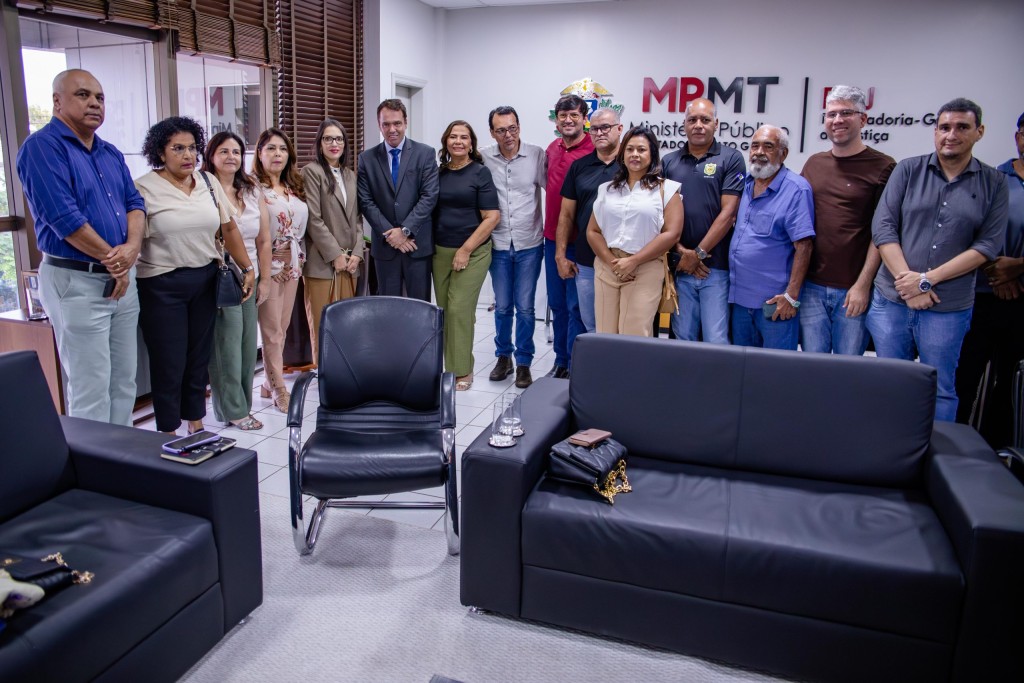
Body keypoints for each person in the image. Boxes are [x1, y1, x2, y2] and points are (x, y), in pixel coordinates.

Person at [15, 69, 144, 426]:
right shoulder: (41, 148)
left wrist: (131, 249)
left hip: (121, 280)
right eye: (83, 95)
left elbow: (135, 203)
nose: (94, 103)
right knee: (91, 387)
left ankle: (122, 455)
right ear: (57, 101)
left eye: (100, 97)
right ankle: (94, 460)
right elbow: (63, 218)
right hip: (77, 281)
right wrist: (116, 262)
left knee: (124, 382)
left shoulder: (109, 152)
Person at [868, 98, 1008, 422]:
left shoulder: (994, 182)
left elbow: (987, 245)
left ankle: (933, 451)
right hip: (891, 301)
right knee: (889, 384)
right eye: (944, 127)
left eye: (962, 127)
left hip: (947, 308)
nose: (951, 135)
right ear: (935, 132)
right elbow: (883, 227)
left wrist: (926, 281)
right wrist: (908, 283)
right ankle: (889, 447)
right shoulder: (907, 170)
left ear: (979, 132)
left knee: (939, 388)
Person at [135, 116, 256, 434]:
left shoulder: (207, 182)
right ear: (160, 152)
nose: (188, 155)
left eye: (192, 148)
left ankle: (196, 424)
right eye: (178, 148)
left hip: (205, 279)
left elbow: (229, 228)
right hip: (162, 284)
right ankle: (167, 430)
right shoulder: (143, 188)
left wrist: (248, 267)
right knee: (169, 361)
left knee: (198, 358)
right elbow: (132, 239)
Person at [800, 86, 896, 355]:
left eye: (846, 113)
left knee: (847, 369)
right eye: (831, 114)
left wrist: (863, 286)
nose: (837, 120)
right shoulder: (813, 164)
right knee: (810, 366)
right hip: (811, 288)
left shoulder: (884, 166)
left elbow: (882, 233)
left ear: (863, 119)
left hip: (852, 290)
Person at [955, 111, 1024, 446]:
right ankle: (953, 451)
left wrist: (1019, 266)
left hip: (1022, 301)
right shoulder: (994, 179)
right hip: (981, 296)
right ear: (1018, 137)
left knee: (1012, 384)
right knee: (964, 379)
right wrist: (998, 272)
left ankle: (1001, 454)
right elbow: (968, 231)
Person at [202, 131, 272, 431]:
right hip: (221, 276)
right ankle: (232, 409)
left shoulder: (251, 189)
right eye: (224, 151)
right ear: (211, 155)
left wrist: (264, 279)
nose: (231, 157)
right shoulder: (203, 189)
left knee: (246, 345)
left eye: (236, 151)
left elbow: (264, 239)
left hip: (250, 275)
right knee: (226, 346)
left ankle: (242, 404)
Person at [661, 97, 746, 344]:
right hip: (679, 267)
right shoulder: (669, 161)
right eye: (692, 120)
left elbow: (729, 213)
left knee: (715, 340)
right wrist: (681, 252)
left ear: (716, 124)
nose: (698, 125)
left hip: (715, 268)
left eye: (705, 120)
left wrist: (697, 254)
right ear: (684, 124)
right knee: (682, 338)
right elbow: (660, 213)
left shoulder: (731, 158)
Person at [587, 126, 683, 336]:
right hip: (608, 267)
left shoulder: (667, 189)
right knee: (604, 334)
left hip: (645, 269)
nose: (635, 154)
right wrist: (613, 263)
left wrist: (633, 261)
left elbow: (671, 233)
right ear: (622, 154)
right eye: (630, 149)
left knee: (634, 334)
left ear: (652, 154)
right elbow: (593, 231)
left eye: (641, 149)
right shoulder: (607, 189)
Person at [728, 125, 815, 351]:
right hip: (739, 301)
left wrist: (791, 296)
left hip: (775, 303)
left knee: (776, 368)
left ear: (783, 154)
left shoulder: (796, 189)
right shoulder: (744, 184)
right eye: (754, 146)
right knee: (742, 366)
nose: (759, 152)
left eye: (768, 146)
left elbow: (804, 246)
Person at [481, 106, 546, 388]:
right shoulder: (483, 157)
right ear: (492, 132)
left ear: (519, 126)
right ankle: (503, 357)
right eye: (501, 130)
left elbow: (555, 192)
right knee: (503, 306)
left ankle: (524, 363)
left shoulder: (536, 155)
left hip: (529, 243)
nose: (508, 135)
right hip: (497, 243)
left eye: (512, 128)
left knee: (526, 307)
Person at [432, 120, 500, 390]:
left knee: (459, 308)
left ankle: (461, 371)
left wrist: (465, 250)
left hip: (473, 252)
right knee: (445, 310)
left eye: (463, 137)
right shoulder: (438, 173)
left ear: (471, 143)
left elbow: (492, 217)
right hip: (440, 251)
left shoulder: (480, 173)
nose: (458, 141)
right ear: (446, 142)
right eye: (453, 137)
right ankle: (448, 366)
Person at [357, 99, 438, 301]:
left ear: (406, 123)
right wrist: (391, 235)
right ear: (379, 125)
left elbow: (429, 196)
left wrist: (404, 231)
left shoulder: (425, 154)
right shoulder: (366, 158)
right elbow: (365, 201)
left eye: (397, 123)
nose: (392, 129)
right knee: (387, 308)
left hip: (416, 245)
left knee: (419, 308)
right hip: (385, 248)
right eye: (386, 124)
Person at [253, 127, 309, 413]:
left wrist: (293, 260)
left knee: (282, 329)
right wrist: (271, 264)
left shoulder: (293, 187)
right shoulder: (253, 188)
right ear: (259, 153)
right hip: (269, 265)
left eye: (283, 149)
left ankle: (267, 381)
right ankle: (278, 389)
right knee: (271, 331)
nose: (278, 154)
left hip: (293, 265)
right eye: (271, 148)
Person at [556, 107, 624, 336]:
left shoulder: (632, 165)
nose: (599, 133)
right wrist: (560, 255)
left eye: (605, 127)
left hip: (624, 260)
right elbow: (566, 215)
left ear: (619, 129)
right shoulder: (579, 167)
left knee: (622, 327)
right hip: (586, 262)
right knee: (590, 324)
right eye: (594, 129)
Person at [302, 118, 363, 363]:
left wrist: (357, 252)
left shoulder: (350, 175)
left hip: (350, 264)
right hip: (323, 262)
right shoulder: (311, 172)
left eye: (338, 139)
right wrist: (335, 254)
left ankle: (345, 373)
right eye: (328, 138)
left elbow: (357, 219)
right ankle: (324, 374)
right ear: (320, 143)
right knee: (322, 323)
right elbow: (313, 219)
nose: (334, 143)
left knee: (347, 324)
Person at [544, 94, 594, 378]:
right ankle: (560, 360)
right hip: (552, 240)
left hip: (581, 242)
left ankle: (577, 365)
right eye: (563, 115)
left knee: (578, 307)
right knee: (558, 304)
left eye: (574, 115)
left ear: (584, 118)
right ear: (556, 119)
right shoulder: (552, 149)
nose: (568, 120)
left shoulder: (593, 150)